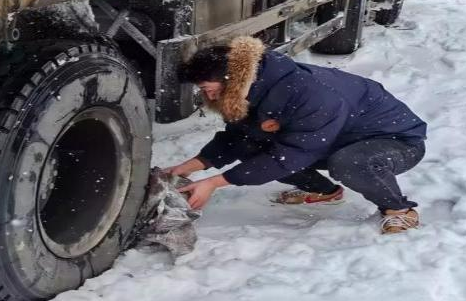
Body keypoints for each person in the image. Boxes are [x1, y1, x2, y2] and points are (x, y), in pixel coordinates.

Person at [163, 36, 427, 234]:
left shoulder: (310, 95)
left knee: (348, 162)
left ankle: (399, 208)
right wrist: (187, 167)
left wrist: (213, 183)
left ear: (232, 80)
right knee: (252, 146)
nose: (208, 97)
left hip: (394, 141)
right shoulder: (252, 87)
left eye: (209, 89)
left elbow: (291, 156)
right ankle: (325, 192)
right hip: (335, 139)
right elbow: (238, 138)